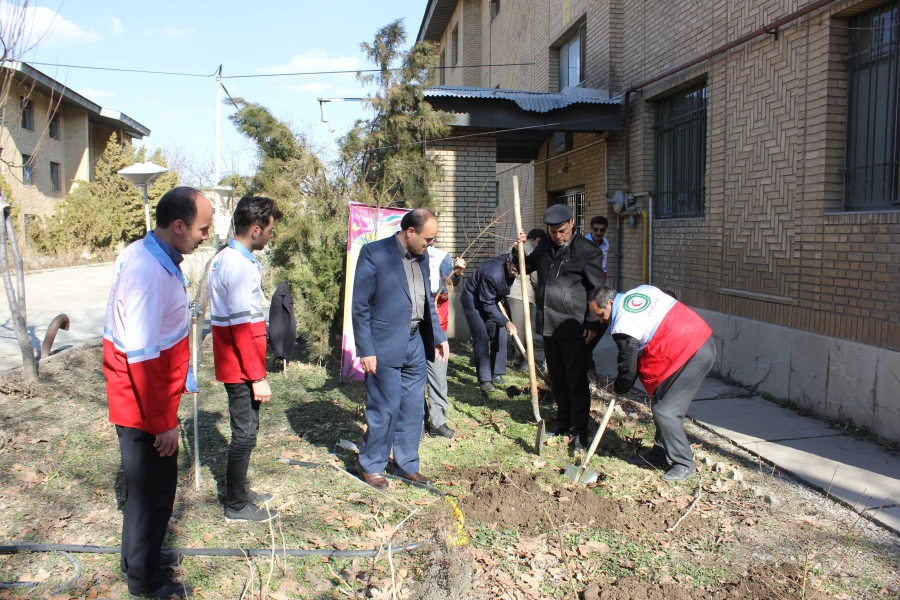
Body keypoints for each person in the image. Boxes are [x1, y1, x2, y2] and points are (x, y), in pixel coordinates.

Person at [103, 186, 213, 599]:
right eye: (202, 229)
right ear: (178, 225)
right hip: (142, 403)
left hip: (144, 397)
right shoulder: (148, 273)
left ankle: (141, 556)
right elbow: (143, 359)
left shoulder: (146, 254)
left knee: (149, 491)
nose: (206, 236)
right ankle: (143, 581)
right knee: (151, 494)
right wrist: (164, 423)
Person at [352, 208, 449, 489]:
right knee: (385, 407)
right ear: (410, 232)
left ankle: (407, 464)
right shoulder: (374, 254)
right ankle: (371, 463)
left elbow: (425, 301)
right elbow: (359, 306)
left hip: (416, 343)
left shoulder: (421, 257)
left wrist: (438, 335)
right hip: (383, 345)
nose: (430, 245)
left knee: (412, 407)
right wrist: (365, 349)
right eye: (428, 239)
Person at [589, 285, 715, 482]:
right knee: (659, 399)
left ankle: (684, 464)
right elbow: (670, 296)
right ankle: (660, 452)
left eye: (601, 314)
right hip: (696, 340)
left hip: (691, 351)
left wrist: (620, 386)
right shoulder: (641, 291)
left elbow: (628, 365)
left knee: (666, 411)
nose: (601, 320)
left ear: (611, 303)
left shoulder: (623, 323)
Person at [209, 195, 283, 522]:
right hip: (240, 365)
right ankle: (235, 505)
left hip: (244, 361)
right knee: (244, 433)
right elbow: (240, 327)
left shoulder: (240, 260)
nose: (271, 235)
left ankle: (240, 489)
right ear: (255, 230)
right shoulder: (236, 265)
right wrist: (257, 376)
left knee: (248, 428)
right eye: (269, 229)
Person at [516, 204, 605, 449]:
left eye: (562, 231)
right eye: (553, 231)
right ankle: (563, 421)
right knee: (557, 377)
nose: (558, 236)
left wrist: (592, 322)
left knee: (575, 378)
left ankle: (579, 430)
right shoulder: (544, 246)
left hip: (575, 325)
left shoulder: (588, 251)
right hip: (548, 324)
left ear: (572, 224)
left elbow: (599, 289)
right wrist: (519, 250)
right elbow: (527, 266)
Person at [461, 253, 519, 392]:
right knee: (481, 337)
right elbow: (487, 304)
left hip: (490, 301)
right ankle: (485, 380)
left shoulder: (514, 259)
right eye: (514, 271)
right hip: (474, 303)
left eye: (519, 272)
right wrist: (506, 322)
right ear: (508, 262)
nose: (516, 274)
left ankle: (496, 373)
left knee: (500, 334)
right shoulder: (492, 274)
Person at [424, 246, 466, 438]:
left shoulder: (441, 257)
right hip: (409, 325)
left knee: (438, 373)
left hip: (436, 328)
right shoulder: (402, 255)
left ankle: (437, 422)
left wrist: (456, 273)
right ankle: (414, 420)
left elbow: (449, 282)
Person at [506, 229, 546, 371]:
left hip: (509, 291)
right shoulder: (530, 249)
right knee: (521, 329)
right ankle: (520, 362)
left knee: (517, 327)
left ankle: (521, 360)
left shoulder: (516, 246)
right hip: (519, 293)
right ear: (537, 240)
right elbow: (535, 277)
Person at [585, 216, 610, 283]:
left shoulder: (606, 243)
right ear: (591, 229)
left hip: (601, 277)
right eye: (595, 229)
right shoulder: (583, 243)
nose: (598, 233)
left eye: (602, 230)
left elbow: (603, 265)